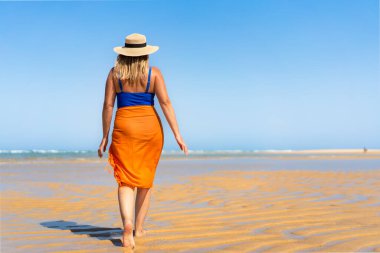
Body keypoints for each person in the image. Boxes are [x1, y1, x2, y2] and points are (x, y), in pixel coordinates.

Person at [97, 33, 188, 249]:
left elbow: (108, 106)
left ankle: (126, 224)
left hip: (124, 126)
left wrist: (104, 136)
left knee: (125, 181)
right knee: (145, 181)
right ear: (145, 53)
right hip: (150, 129)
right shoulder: (154, 73)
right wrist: (177, 134)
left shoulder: (114, 74)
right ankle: (138, 228)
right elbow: (166, 103)